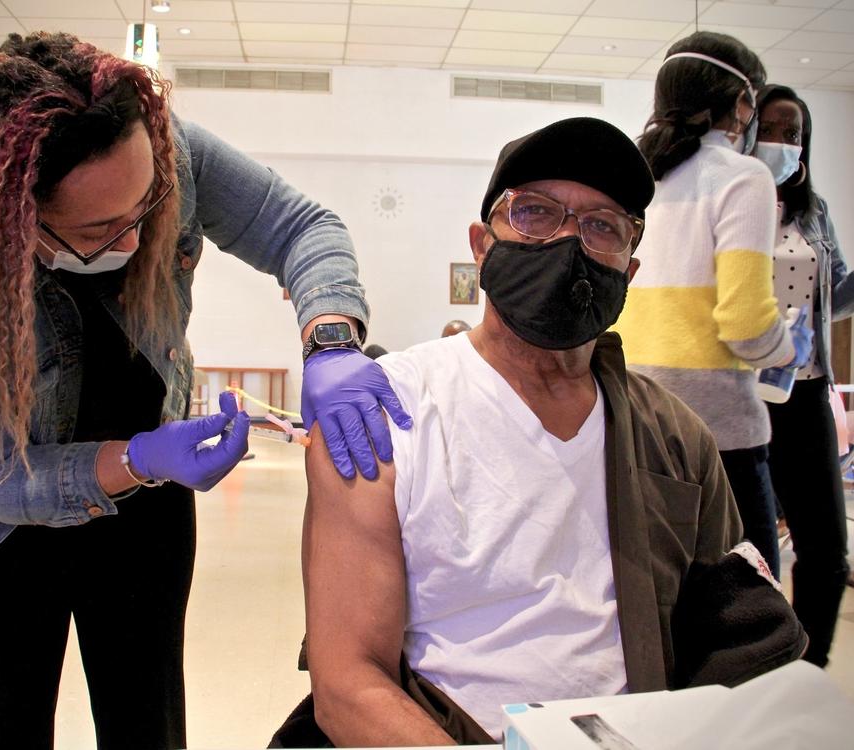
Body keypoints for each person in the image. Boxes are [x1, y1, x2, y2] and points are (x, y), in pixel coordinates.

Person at [0, 32, 409, 750]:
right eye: (99, 230)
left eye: (146, 207)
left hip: (143, 514)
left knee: (146, 718)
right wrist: (139, 459)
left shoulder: (164, 150)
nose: (135, 240)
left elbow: (301, 227)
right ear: (12, 221)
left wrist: (331, 342)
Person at [283, 118, 805, 746]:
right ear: (482, 245)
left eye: (601, 226)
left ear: (628, 270)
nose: (569, 243)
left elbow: (733, 638)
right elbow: (348, 687)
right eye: (534, 213)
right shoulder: (383, 414)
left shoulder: (672, 437)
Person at [612, 32, 813, 579]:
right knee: (751, 606)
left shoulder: (636, 177)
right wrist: (787, 344)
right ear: (743, 103)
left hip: (635, 414)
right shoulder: (742, 177)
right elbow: (746, 325)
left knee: (659, 598)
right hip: (717, 430)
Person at [753, 84, 854, 667]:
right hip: (743, 397)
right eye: (771, 129)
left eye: (793, 134)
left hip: (806, 391)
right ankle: (756, 666)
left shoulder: (814, 212)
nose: (782, 143)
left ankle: (808, 672)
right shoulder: (733, 200)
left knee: (826, 553)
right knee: (754, 550)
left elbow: (833, 294)